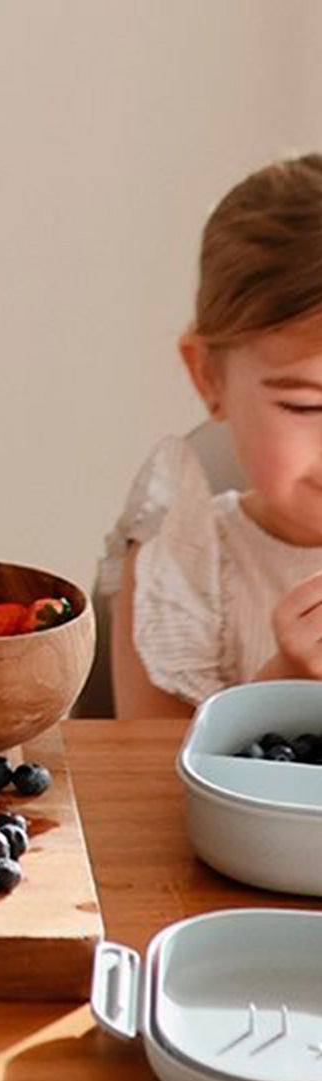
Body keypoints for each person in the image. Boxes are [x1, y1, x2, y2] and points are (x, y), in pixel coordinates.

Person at [106, 154, 322, 716]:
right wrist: (284, 687)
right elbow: (149, 766)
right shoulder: (184, 567)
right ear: (209, 376)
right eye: (306, 406)